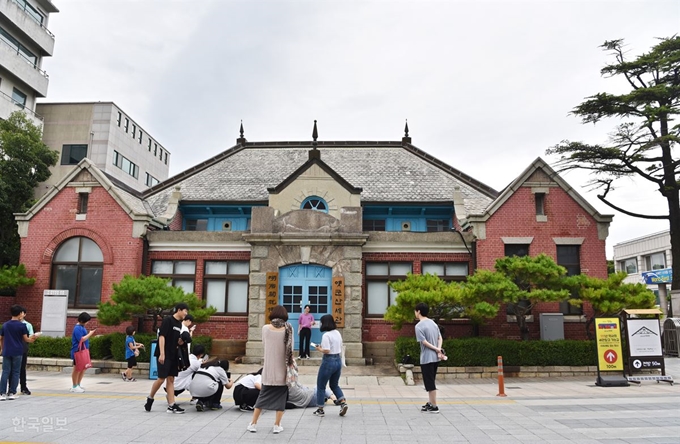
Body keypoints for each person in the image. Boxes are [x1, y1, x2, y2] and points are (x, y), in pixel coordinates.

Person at [247, 305, 292, 434]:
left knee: (261, 398)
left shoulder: (265, 329)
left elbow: (264, 344)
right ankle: (277, 425)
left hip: (268, 371)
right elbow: (290, 351)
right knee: (281, 399)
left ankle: (253, 424)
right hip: (282, 371)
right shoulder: (289, 329)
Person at [144, 303, 189, 413]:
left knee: (171, 379)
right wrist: (162, 353)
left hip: (174, 355)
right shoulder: (168, 321)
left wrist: (182, 340)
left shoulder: (179, 324)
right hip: (164, 354)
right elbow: (162, 336)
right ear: (179, 310)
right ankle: (150, 398)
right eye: (185, 311)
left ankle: (172, 405)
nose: (186, 314)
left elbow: (175, 339)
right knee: (161, 378)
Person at [312, 314, 348, 417]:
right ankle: (343, 402)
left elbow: (326, 350)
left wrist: (319, 349)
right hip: (338, 360)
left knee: (321, 385)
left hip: (328, 361)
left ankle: (320, 409)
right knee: (334, 384)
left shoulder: (326, 335)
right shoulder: (337, 333)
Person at [0, 305, 37, 400]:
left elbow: (1, 338)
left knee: (5, 371)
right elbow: (26, 339)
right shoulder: (22, 325)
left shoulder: (5, 325)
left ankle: (2, 393)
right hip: (17, 351)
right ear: (20, 313)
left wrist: (1, 348)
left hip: (7, 351)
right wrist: (34, 338)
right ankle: (12, 392)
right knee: (16, 372)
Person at [415, 302, 444, 414]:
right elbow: (439, 338)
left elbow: (424, 342)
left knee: (429, 383)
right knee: (431, 380)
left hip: (427, 358)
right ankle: (430, 402)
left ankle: (434, 406)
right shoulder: (433, 323)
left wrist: (436, 349)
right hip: (436, 358)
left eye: (415, 311)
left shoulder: (418, 326)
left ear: (418, 311)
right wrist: (438, 349)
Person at [69, 312, 96, 393]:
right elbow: (81, 339)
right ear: (82, 320)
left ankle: (78, 384)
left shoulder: (82, 327)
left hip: (83, 351)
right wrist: (90, 334)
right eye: (86, 321)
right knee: (77, 369)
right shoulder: (77, 328)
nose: (87, 323)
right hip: (78, 351)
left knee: (83, 368)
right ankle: (74, 386)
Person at [19, 308, 34, 395]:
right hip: (13, 350)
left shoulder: (27, 325)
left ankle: (23, 387)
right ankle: (9, 388)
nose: (20, 315)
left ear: (24, 314)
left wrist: (33, 337)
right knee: (10, 370)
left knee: (22, 369)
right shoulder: (11, 324)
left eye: (22, 313)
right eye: (19, 313)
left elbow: (31, 336)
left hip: (23, 349)